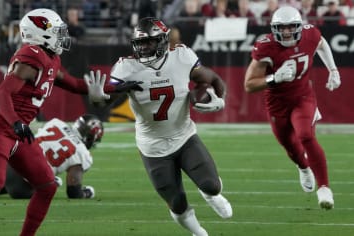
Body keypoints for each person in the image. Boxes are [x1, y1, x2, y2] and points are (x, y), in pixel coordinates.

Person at [0, 8, 140, 234]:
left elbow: (76, 85)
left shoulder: (50, 58)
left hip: (19, 133)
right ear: (39, 33)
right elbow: (1, 94)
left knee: (47, 186)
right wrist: (15, 122)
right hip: (0, 129)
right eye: (57, 31)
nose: (62, 36)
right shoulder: (31, 57)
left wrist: (118, 87)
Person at [88, 17, 233, 236]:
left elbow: (213, 78)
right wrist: (98, 97)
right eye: (141, 43)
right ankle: (199, 233)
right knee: (176, 203)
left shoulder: (182, 57)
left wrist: (219, 100)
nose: (144, 48)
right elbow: (108, 99)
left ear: (163, 41)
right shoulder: (127, 67)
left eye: (150, 42)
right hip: (152, 145)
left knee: (212, 185)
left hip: (184, 136)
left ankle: (211, 194)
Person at [244, 6, 341, 210]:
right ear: (274, 28)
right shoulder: (266, 47)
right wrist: (274, 78)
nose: (287, 32)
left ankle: (324, 187)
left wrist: (333, 69)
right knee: (290, 145)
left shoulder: (310, 34)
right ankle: (303, 167)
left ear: (298, 26)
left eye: (291, 27)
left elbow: (322, 45)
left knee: (306, 135)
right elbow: (249, 84)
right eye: (282, 27)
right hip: (277, 103)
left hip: (303, 96)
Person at [0, 114, 103, 199]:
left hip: (12, 161)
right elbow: (73, 189)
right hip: (21, 187)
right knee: (44, 182)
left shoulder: (56, 123)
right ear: (91, 138)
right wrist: (87, 193)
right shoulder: (83, 153)